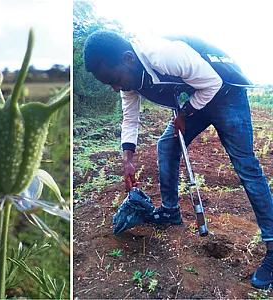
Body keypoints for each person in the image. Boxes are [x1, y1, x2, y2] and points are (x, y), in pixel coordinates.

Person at [83, 30, 273, 289]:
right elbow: (130, 117)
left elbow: (212, 82)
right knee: (168, 144)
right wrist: (128, 158)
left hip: (225, 92)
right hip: (199, 96)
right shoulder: (128, 78)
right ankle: (171, 212)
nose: (116, 88)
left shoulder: (164, 55)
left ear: (128, 58)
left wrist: (185, 112)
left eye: (115, 80)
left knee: (246, 166)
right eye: (110, 84)